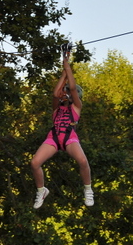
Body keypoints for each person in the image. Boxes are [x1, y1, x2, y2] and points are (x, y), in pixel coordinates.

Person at [30, 49, 93, 208]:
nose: (64, 93)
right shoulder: (56, 108)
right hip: (53, 138)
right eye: (64, 91)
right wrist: (64, 67)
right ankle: (41, 190)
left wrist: (67, 66)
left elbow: (72, 88)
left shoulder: (76, 107)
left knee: (83, 160)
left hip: (69, 138)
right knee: (34, 163)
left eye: (67, 92)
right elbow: (55, 93)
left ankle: (88, 189)